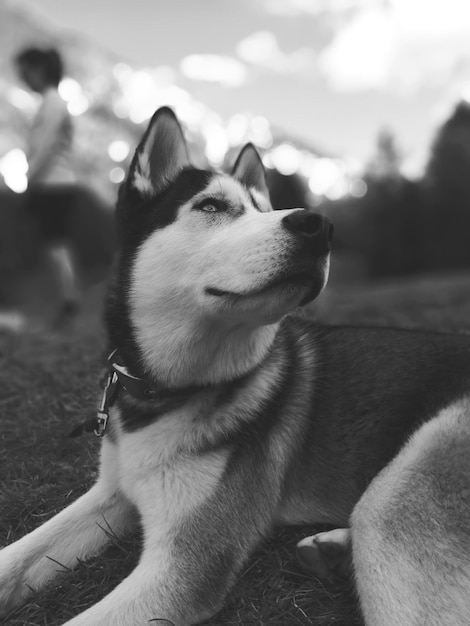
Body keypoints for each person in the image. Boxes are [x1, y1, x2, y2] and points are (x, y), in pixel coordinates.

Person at [15, 46, 81, 328]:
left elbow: (43, 148)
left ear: (38, 71)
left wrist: (28, 180)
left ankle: (68, 301)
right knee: (53, 243)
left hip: (52, 183)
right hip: (52, 182)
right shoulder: (50, 102)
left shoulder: (53, 103)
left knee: (55, 243)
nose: (22, 78)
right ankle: (64, 300)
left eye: (25, 72)